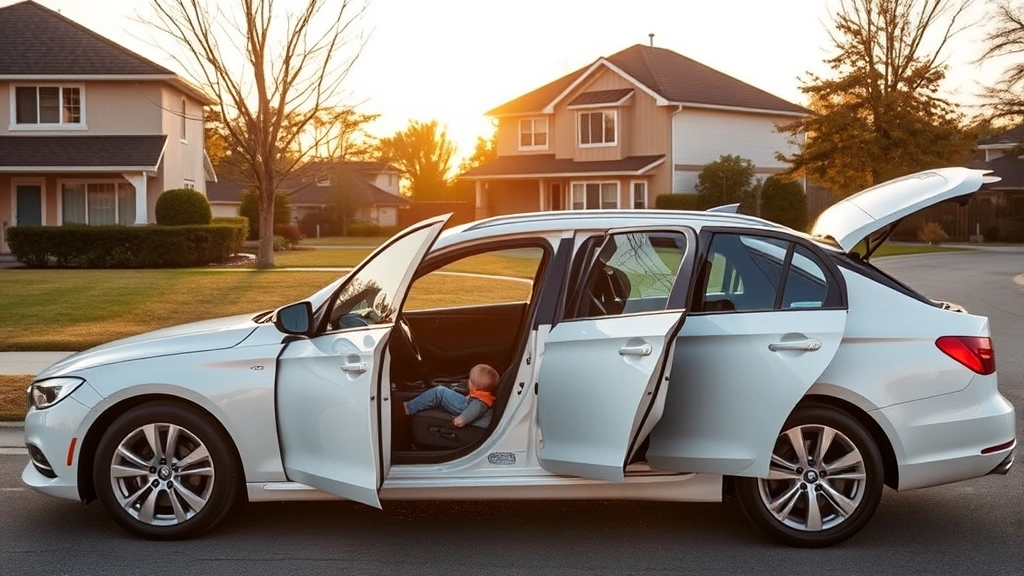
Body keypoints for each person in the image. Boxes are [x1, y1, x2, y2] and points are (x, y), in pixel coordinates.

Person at [403, 364, 500, 428]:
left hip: (464, 409)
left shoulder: (481, 403)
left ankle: (409, 407)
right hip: (466, 406)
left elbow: (474, 410)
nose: (468, 382)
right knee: (442, 394)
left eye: (470, 381)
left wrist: (462, 419)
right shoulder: (484, 396)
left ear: (475, 387)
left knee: (439, 392)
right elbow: (473, 400)